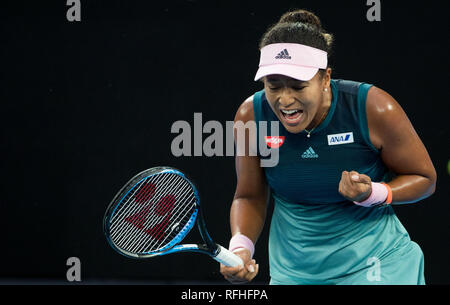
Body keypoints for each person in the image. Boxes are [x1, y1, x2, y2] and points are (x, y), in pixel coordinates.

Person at [219, 9, 437, 285]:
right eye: (273, 86)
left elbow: (425, 180)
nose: (284, 100)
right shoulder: (251, 114)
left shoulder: (373, 107)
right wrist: (241, 248)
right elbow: (248, 197)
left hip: (378, 267)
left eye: (298, 87)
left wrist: (373, 193)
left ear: (325, 79)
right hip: (294, 273)